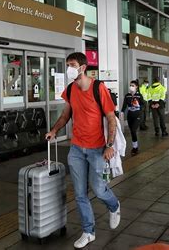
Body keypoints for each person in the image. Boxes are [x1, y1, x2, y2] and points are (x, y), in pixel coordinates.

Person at [45, 52, 120, 249]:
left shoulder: (98, 88)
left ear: (83, 67)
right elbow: (65, 115)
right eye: (67, 64)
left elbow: (111, 118)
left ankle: (114, 205)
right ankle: (88, 231)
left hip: (97, 149)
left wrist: (109, 146)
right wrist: (54, 130)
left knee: (99, 190)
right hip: (77, 149)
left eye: (72, 64)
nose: (69, 68)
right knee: (80, 194)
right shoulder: (70, 90)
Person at [121, 80, 145, 155]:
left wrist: (139, 106)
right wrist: (122, 112)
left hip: (137, 115)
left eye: (133, 85)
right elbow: (124, 105)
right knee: (132, 131)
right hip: (130, 115)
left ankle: (135, 148)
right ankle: (135, 146)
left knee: (134, 130)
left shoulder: (139, 95)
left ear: (136, 87)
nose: (131, 87)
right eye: (130, 85)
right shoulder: (127, 95)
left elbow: (143, 105)